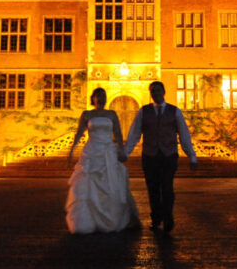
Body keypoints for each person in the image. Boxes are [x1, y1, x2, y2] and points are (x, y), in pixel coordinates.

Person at [122, 80, 197, 233]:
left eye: (158, 90)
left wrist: (192, 156)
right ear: (151, 94)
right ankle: (156, 218)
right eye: (153, 91)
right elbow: (134, 134)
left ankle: (168, 217)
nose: (155, 93)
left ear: (164, 92)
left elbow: (184, 135)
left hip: (169, 155)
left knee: (167, 186)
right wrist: (126, 153)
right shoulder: (144, 111)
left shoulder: (174, 111)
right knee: (153, 189)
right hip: (149, 156)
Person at [65, 87, 140, 234]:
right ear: (93, 98)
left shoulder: (112, 114)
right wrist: (72, 150)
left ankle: (110, 217)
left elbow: (118, 134)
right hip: (92, 152)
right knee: (88, 184)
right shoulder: (87, 114)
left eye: (104, 95)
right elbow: (79, 133)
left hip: (108, 152)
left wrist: (122, 150)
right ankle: (87, 220)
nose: (102, 98)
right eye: (99, 96)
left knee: (111, 184)